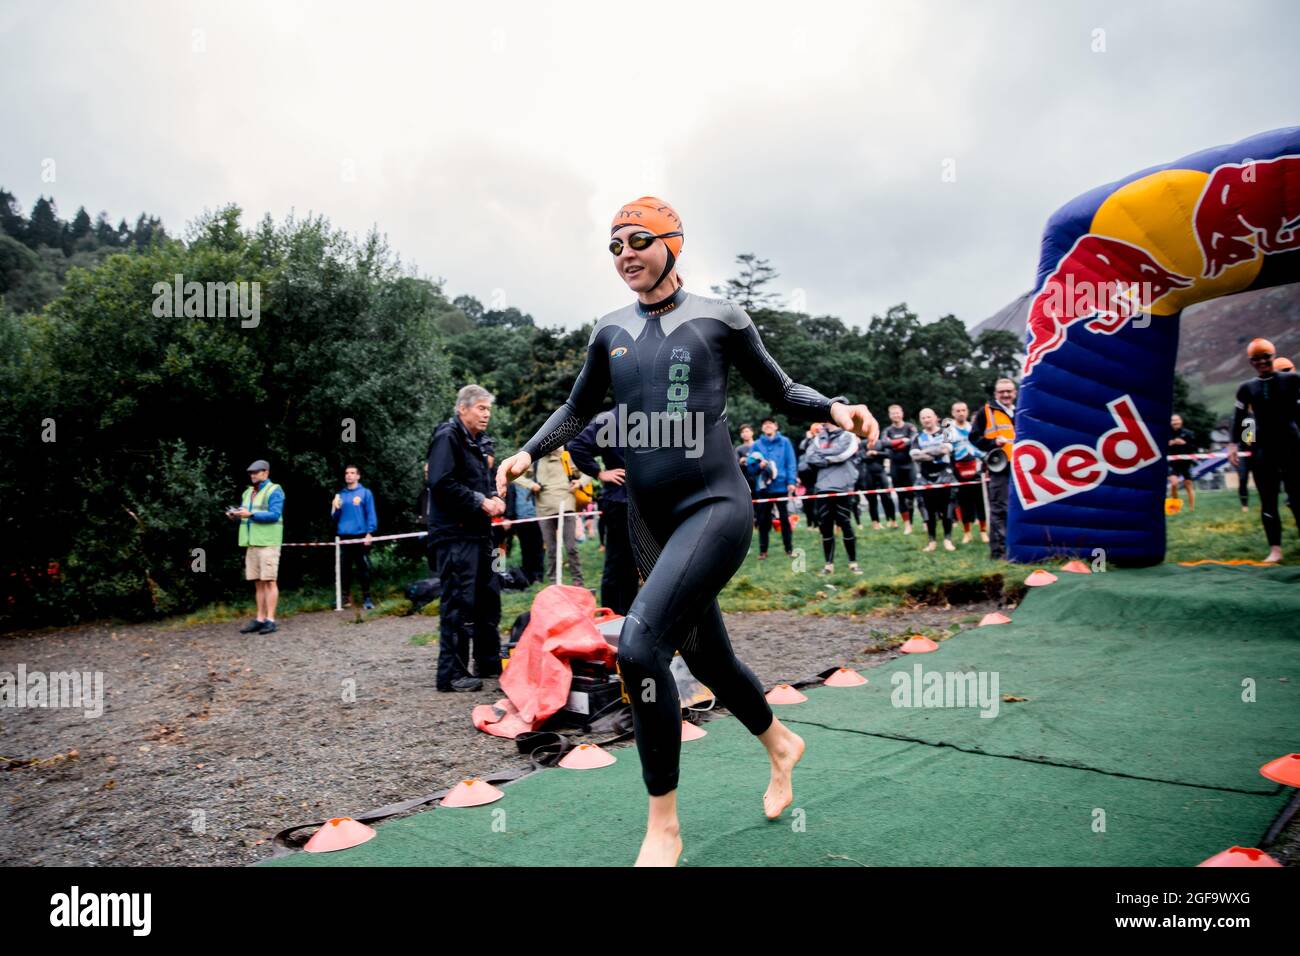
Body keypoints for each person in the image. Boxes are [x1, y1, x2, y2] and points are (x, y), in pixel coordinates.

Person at [495, 196, 878, 867]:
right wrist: (528, 451)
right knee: (708, 659)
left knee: (640, 650)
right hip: (649, 519)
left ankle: (664, 824)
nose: (624, 256)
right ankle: (781, 742)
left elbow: (782, 391)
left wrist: (837, 409)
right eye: (613, 246)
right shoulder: (608, 330)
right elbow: (578, 406)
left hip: (714, 505)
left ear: (673, 242)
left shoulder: (720, 318)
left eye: (638, 241)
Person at [426, 384, 504, 692]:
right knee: (458, 602)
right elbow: (440, 482)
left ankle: (486, 661)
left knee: (489, 596)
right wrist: (480, 501)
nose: (486, 415)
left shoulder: (480, 441)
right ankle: (451, 674)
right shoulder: (448, 436)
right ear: (463, 408)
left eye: (489, 409)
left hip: (479, 532)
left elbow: (483, 481)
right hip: (454, 533)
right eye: (481, 408)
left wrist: (496, 496)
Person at [1227, 338, 1300, 563]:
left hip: (1292, 445)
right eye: (1256, 359)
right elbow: (1239, 419)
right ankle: (1275, 550)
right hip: (1263, 450)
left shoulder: (1293, 380)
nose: (1262, 362)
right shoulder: (1247, 388)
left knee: (1298, 498)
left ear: (1273, 355)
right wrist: (1232, 444)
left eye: (1266, 357)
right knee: (1267, 500)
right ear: (1251, 362)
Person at [570, 407, 639, 615]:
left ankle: (629, 617)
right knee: (618, 563)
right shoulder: (611, 419)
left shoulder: (653, 414)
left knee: (635, 565)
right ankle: (612, 617)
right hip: (619, 502)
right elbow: (577, 446)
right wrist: (600, 473)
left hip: (645, 503)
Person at [227, 459, 285, 635]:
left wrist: (250, 514)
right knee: (258, 583)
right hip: (251, 542)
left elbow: (275, 515)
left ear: (266, 472)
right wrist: (235, 515)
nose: (253, 475)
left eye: (256, 472)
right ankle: (260, 619)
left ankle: (271, 620)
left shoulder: (275, 490)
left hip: (268, 542)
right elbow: (246, 515)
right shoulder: (247, 493)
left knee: (269, 581)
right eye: (251, 472)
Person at [804, 421, 862, 574]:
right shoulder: (818, 437)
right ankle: (828, 565)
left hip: (843, 485)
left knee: (845, 523)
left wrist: (823, 456)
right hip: (822, 486)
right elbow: (809, 457)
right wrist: (830, 455)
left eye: (828, 419)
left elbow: (843, 454)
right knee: (825, 526)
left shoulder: (849, 435)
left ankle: (853, 563)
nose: (825, 423)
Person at [971, 378, 1017, 560]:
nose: (1006, 395)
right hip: (1000, 467)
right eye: (1002, 392)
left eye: (1009, 391)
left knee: (1018, 508)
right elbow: (973, 437)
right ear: (995, 394)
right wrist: (992, 443)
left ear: (1014, 392)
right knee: (1000, 509)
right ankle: (999, 553)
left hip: (1022, 467)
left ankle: (1018, 549)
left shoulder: (1021, 409)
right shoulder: (985, 412)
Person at [529, 446, 585, 586]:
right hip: (544, 509)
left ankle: (578, 581)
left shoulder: (568, 456)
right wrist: (530, 484)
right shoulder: (536, 460)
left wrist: (579, 483)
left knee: (571, 547)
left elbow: (589, 472)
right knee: (551, 548)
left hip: (567, 506)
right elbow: (515, 475)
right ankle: (554, 582)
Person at [331, 465, 378, 609]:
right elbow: (335, 518)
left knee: (362, 568)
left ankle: (367, 598)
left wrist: (370, 532)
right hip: (344, 535)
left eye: (352, 473)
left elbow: (371, 513)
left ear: (358, 476)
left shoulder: (365, 493)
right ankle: (345, 598)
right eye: (346, 473)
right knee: (344, 569)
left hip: (360, 535)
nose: (349, 475)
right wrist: (335, 508)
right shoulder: (340, 495)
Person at [911, 409, 957, 551]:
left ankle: (948, 540)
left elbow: (946, 449)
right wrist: (935, 453)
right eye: (923, 417)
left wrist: (925, 452)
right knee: (929, 511)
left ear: (936, 418)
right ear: (920, 420)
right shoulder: (917, 437)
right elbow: (914, 456)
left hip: (944, 474)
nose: (926, 420)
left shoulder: (946, 432)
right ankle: (932, 541)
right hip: (926, 476)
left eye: (929, 417)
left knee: (947, 509)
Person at [751, 417, 798, 558]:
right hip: (763, 488)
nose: (768, 426)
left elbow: (791, 463)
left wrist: (791, 481)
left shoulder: (785, 442)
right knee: (763, 520)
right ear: (762, 428)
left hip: (781, 486)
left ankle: (789, 549)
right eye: (765, 425)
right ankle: (763, 551)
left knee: (784, 519)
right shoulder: (756, 445)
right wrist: (759, 466)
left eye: (770, 424)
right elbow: (750, 466)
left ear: (776, 426)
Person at [949, 402, 987, 544]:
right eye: (958, 411)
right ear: (953, 413)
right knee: (964, 502)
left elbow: (980, 446)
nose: (961, 413)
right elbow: (947, 449)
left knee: (980, 501)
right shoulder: (949, 429)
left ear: (967, 411)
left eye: (963, 410)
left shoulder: (973, 427)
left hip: (976, 467)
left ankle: (983, 531)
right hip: (959, 469)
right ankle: (967, 532)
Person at [882, 405, 918, 534]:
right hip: (895, 466)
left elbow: (913, 440)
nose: (896, 415)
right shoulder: (887, 430)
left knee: (913, 495)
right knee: (901, 496)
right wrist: (903, 441)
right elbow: (884, 443)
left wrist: (894, 443)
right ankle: (907, 525)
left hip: (909, 466)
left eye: (897, 413)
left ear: (902, 413)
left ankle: (920, 522)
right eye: (893, 414)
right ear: (890, 415)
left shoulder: (910, 427)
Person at [855, 434, 895, 529]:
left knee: (887, 497)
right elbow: (861, 456)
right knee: (872, 500)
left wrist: (875, 453)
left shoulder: (881, 442)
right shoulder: (863, 443)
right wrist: (871, 455)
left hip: (881, 472)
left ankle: (892, 520)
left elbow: (889, 454)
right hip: (868, 474)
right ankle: (875, 522)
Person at [1167, 413, 1198, 513]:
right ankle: (1175, 508)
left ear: (1181, 421)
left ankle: (1192, 509)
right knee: (1174, 483)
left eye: (1177, 420)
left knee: (1188, 484)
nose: (1175, 422)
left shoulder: (1188, 433)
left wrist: (1184, 443)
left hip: (1186, 462)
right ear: (1170, 422)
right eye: (1173, 420)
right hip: (1172, 462)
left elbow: (1194, 448)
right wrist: (1169, 443)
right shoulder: (1166, 434)